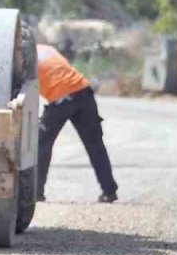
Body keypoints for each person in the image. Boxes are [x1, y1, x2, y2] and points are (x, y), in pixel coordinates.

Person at [35, 44, 118, 204]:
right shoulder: (47, 48)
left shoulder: (23, 56)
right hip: (83, 91)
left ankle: (37, 192)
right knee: (95, 146)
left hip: (61, 98)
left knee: (42, 144)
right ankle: (109, 191)